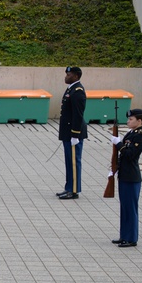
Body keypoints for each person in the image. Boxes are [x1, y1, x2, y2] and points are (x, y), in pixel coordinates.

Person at [109, 108, 142, 247]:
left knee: (130, 209)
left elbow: (130, 154)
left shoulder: (140, 135)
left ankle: (131, 238)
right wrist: (114, 168)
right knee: (125, 208)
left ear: (139, 121)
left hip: (131, 177)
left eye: (131, 119)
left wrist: (118, 143)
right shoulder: (132, 133)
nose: (128, 121)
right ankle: (124, 235)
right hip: (124, 174)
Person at [56, 66, 87, 199]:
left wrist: (75, 134)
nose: (66, 77)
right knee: (69, 161)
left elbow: (78, 115)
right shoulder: (71, 89)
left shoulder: (78, 91)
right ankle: (69, 187)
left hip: (74, 133)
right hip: (68, 132)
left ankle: (74, 191)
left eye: (69, 75)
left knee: (74, 162)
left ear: (76, 76)